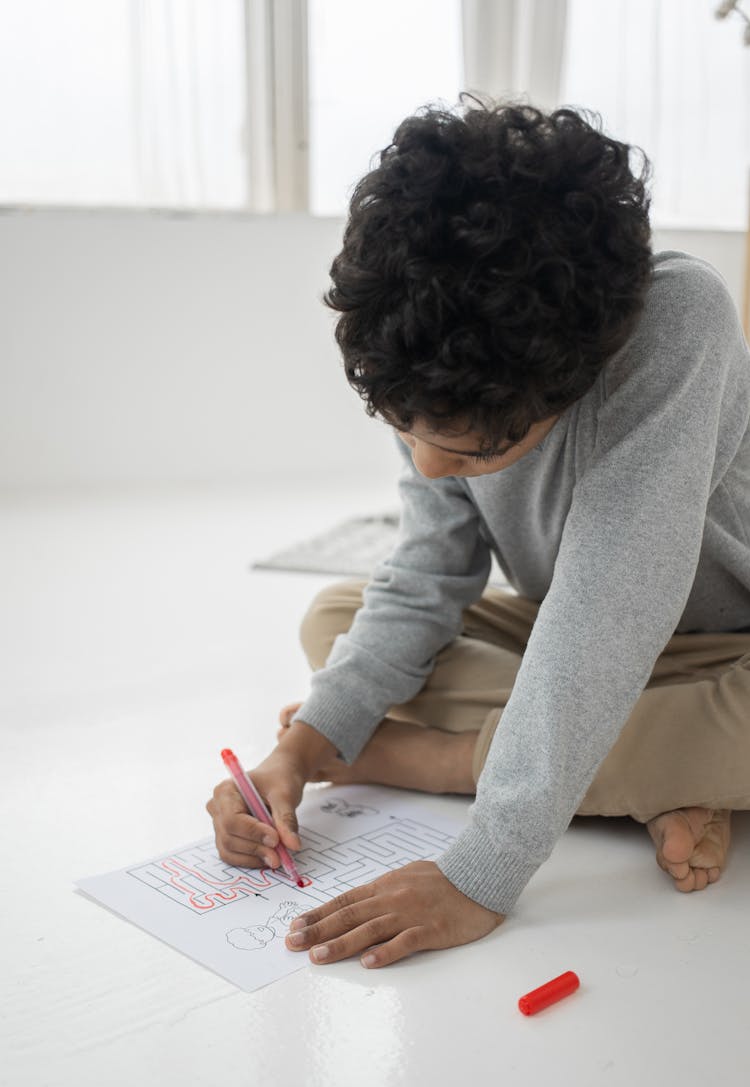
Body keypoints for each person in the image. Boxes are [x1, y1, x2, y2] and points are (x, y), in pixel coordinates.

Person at [206, 98, 750, 970]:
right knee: (334, 616)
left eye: (468, 448)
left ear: (566, 381)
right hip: (574, 636)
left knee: (601, 687)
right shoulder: (427, 339)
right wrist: (301, 750)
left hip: (719, 644)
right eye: (405, 425)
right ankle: (651, 772)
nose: (425, 467)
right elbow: (428, 576)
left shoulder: (680, 323)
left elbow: (608, 610)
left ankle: (444, 759)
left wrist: (480, 870)